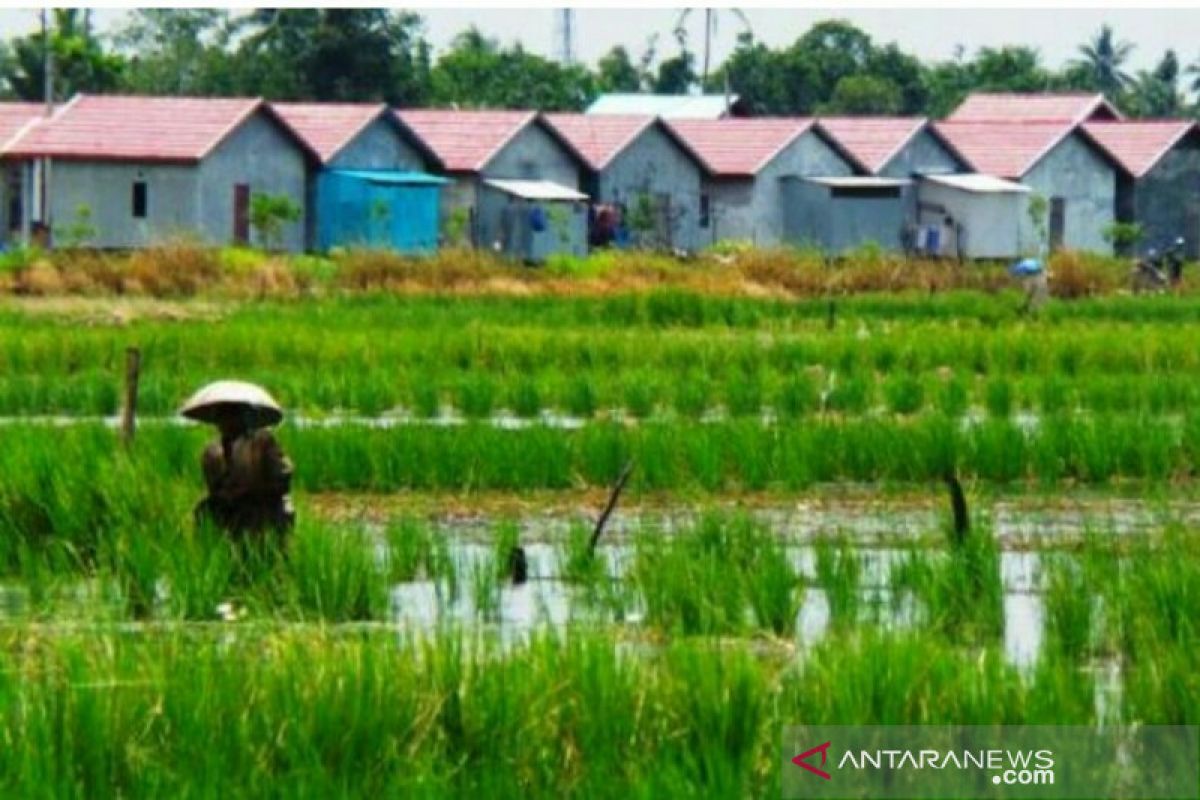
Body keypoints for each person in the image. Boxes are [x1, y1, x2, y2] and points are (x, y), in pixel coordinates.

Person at [180, 381, 294, 549]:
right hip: (229, 507)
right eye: (222, 416)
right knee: (203, 511)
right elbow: (212, 485)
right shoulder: (212, 452)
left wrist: (254, 489)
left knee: (263, 521)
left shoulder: (262, 442)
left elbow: (283, 476)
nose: (226, 421)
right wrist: (225, 492)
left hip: (261, 505)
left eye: (232, 415)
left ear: (243, 417)